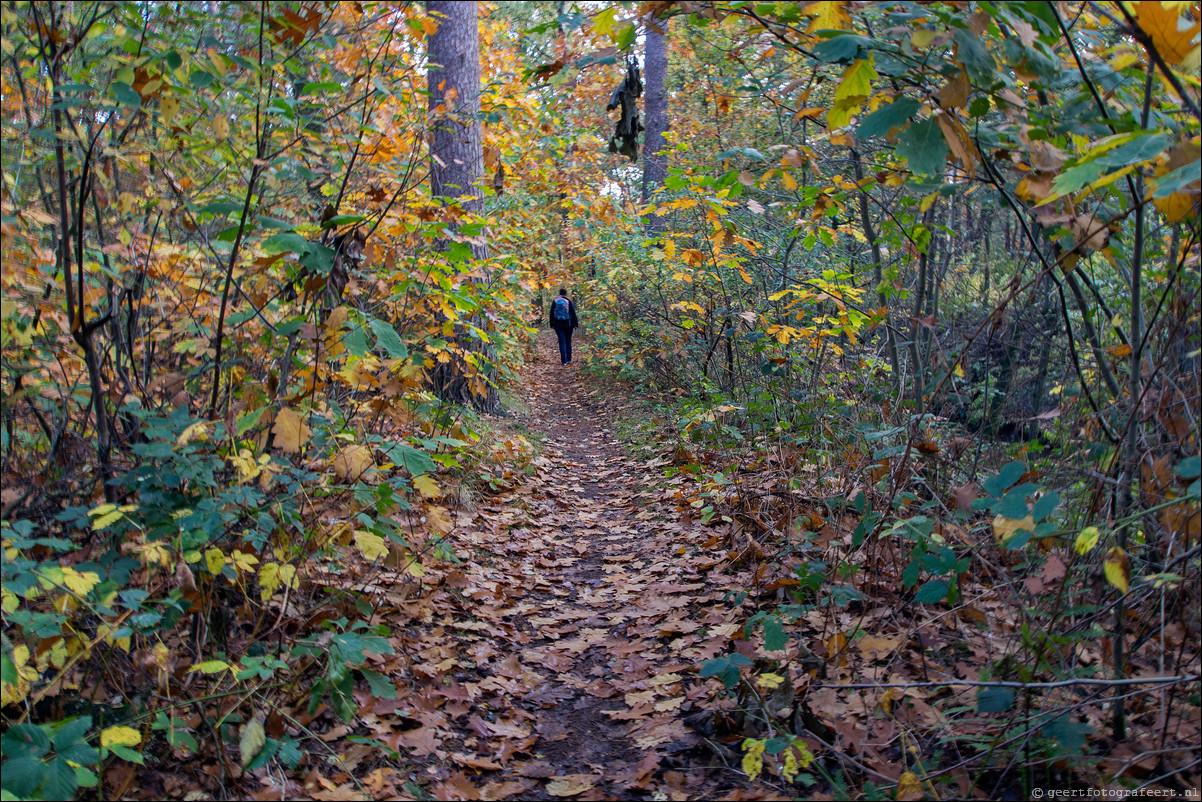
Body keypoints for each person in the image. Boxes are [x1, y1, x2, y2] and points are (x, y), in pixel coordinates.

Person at [548, 287, 579, 365]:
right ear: (566, 293)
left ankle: (563, 361)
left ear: (559, 293)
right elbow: (573, 313)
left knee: (562, 342)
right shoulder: (568, 301)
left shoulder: (555, 301)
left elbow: (551, 313)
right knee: (568, 341)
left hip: (558, 325)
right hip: (568, 324)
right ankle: (569, 359)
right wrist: (576, 324)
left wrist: (551, 324)